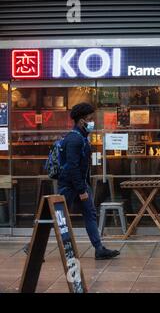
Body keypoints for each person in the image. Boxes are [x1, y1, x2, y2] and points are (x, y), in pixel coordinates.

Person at [58, 103, 120, 260]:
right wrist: (81, 190)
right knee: (59, 216)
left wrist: (83, 187)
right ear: (81, 121)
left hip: (79, 184)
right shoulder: (74, 139)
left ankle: (99, 248)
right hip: (70, 186)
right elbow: (72, 166)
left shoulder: (81, 138)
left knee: (90, 214)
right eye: (90, 119)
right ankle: (32, 246)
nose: (93, 122)